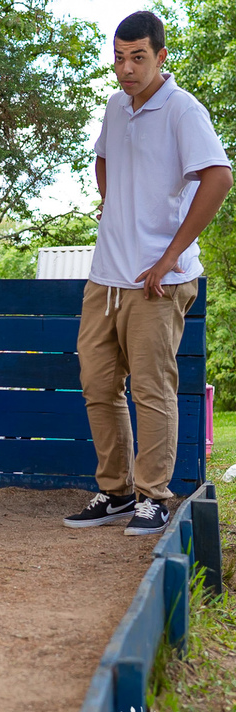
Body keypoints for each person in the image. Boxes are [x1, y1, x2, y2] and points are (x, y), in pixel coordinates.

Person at [64, 11, 232, 536]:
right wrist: (114, 203)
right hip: (105, 277)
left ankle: (153, 496)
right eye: (119, 58)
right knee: (98, 385)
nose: (126, 69)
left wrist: (168, 255)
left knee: (151, 390)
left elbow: (219, 177)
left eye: (138, 57)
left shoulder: (183, 110)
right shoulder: (116, 107)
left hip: (159, 281)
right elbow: (103, 159)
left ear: (160, 56)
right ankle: (115, 492)